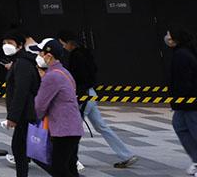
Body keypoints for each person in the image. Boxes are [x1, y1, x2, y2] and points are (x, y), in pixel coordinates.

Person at [56, 30, 137, 168]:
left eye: (63, 43)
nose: (63, 47)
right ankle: (126, 155)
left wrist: (77, 95)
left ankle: (71, 159)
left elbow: (79, 78)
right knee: (101, 126)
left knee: (73, 129)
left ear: (69, 42)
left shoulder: (76, 56)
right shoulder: (85, 52)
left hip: (84, 96)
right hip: (90, 94)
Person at [32, 38, 83, 177]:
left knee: (58, 169)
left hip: (63, 129)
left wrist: (32, 119)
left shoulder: (51, 76)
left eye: (41, 54)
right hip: (73, 127)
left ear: (48, 56)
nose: (39, 57)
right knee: (70, 167)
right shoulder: (64, 72)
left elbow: (40, 105)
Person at [166, 28, 197, 177]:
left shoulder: (182, 55)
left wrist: (177, 99)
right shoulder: (182, 52)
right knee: (179, 125)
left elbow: (183, 83)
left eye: (169, 35)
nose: (166, 38)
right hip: (186, 103)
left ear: (175, 39)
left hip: (194, 103)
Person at [3, 32, 41, 177]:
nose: (6, 46)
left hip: (26, 113)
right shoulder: (19, 61)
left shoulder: (22, 63)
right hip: (25, 113)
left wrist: (13, 117)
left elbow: (21, 92)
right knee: (21, 149)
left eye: (10, 43)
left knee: (22, 149)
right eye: (4, 43)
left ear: (19, 45)